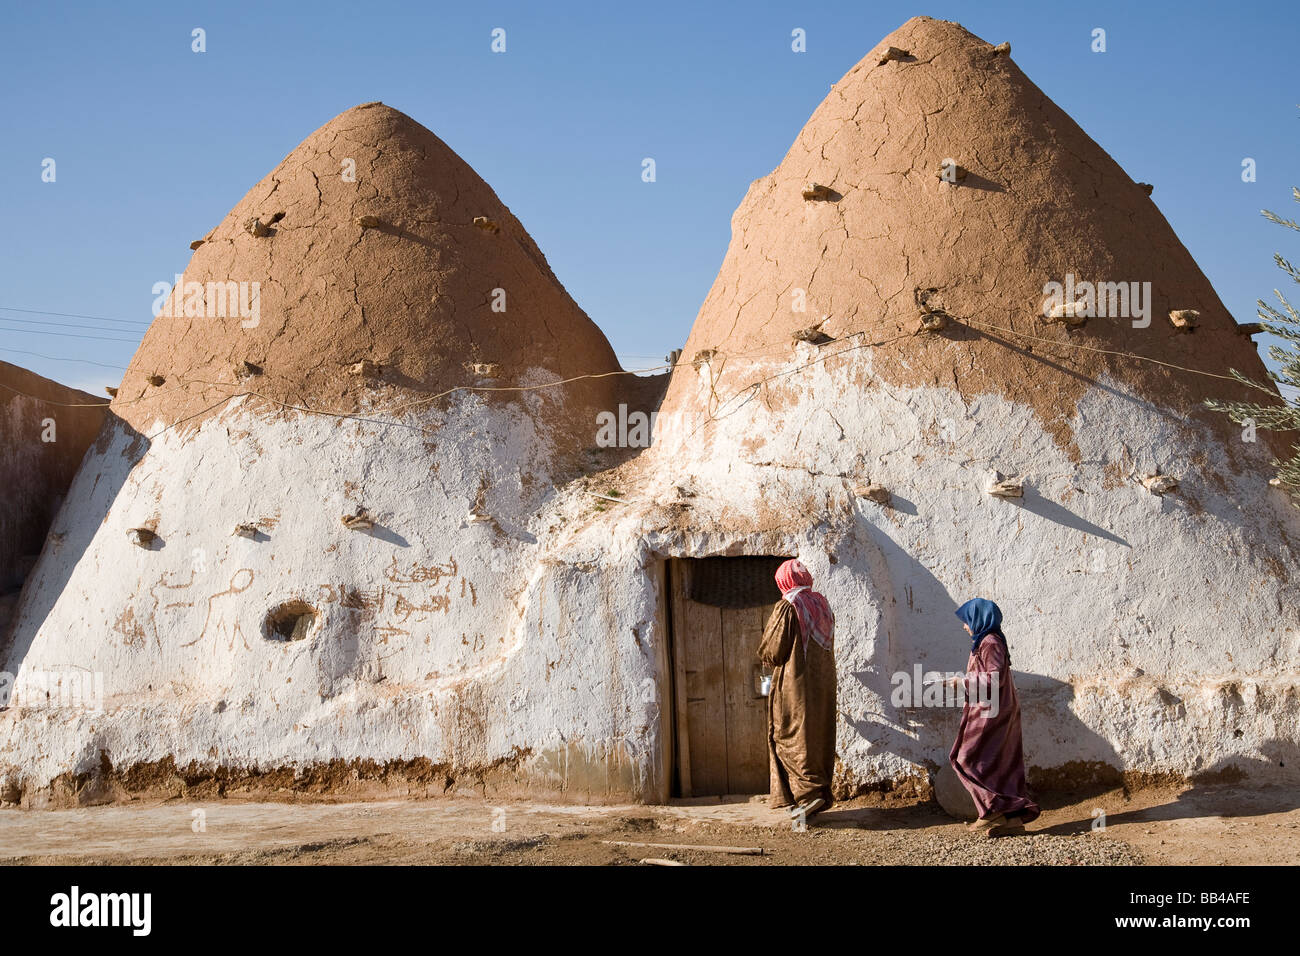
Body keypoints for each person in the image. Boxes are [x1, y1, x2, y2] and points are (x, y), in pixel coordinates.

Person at [948, 598, 1041, 834]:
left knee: (964, 758)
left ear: (978, 619)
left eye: (967, 620)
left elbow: (994, 678)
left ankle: (992, 810)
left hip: (993, 712)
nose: (965, 626)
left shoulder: (990, 642)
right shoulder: (985, 641)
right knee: (1000, 764)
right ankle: (1012, 819)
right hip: (993, 708)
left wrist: (962, 682)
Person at [757, 558, 836, 820]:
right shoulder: (821, 604)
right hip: (822, 685)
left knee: (789, 736)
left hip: (795, 685)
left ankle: (806, 796)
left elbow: (774, 650)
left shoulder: (789, 606)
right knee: (817, 735)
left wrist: (763, 654)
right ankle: (817, 793)